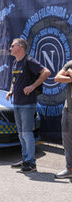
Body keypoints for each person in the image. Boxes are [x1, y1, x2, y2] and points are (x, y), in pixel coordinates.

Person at [6, 38, 50, 173]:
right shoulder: (15, 63)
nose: (10, 48)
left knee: (26, 133)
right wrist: (11, 90)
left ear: (20, 47)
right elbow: (14, 80)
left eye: (12, 46)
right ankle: (25, 159)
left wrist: (32, 86)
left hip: (27, 104)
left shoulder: (28, 61)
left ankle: (31, 163)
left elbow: (46, 72)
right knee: (21, 134)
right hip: (17, 103)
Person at [54, 62, 72, 178]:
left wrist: (70, 73)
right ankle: (69, 169)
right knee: (67, 142)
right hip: (68, 109)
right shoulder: (70, 64)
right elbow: (57, 78)